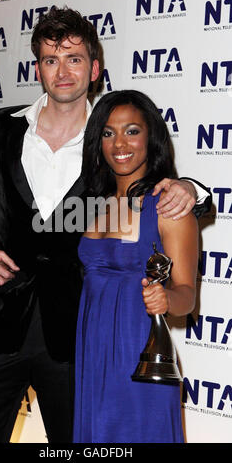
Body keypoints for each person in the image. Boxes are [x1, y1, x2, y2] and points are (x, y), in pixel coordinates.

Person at [0, 7, 210, 444]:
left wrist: (191, 187)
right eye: (51, 60)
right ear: (38, 69)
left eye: (74, 59)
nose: (62, 71)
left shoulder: (110, 139)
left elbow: (155, 195)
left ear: (94, 68)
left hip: (76, 338)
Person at [73, 90, 199, 443]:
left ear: (151, 137)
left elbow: (187, 295)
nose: (119, 143)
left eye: (132, 131)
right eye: (108, 133)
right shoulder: (90, 203)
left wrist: (167, 300)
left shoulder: (169, 208)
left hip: (138, 352)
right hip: (92, 352)